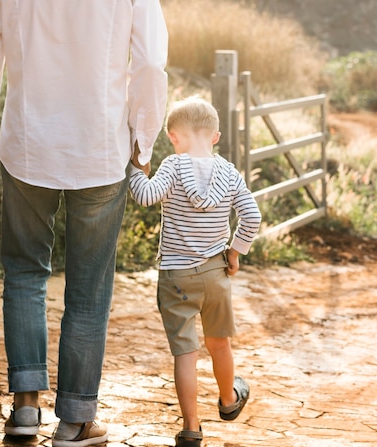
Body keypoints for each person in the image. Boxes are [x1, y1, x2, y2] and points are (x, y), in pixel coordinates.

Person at [0, 1, 168, 445]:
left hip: (28, 147)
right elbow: (149, 65)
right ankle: (76, 420)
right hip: (100, 149)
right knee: (89, 290)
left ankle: (26, 409)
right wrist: (143, 139)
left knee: (24, 274)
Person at [128, 96, 262, 447]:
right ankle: (229, 401)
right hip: (216, 273)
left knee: (186, 353)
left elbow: (145, 196)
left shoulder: (173, 167)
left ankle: (191, 427)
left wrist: (134, 168)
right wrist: (235, 250)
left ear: (173, 136)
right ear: (216, 136)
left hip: (176, 278)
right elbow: (252, 217)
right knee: (220, 343)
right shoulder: (229, 173)